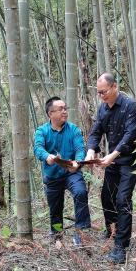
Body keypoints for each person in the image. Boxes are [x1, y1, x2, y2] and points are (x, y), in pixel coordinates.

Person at [85, 73, 136, 263]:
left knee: (122, 199)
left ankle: (121, 246)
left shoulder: (129, 105)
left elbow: (130, 135)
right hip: (112, 161)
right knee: (106, 197)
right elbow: (96, 131)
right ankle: (112, 230)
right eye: (99, 93)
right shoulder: (102, 109)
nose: (102, 96)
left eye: (104, 92)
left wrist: (112, 155)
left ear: (115, 86)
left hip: (130, 160)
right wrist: (91, 150)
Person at [34, 96, 91, 245]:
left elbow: (80, 149)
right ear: (50, 114)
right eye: (60, 109)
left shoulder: (73, 129)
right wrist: (47, 156)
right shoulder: (42, 131)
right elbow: (38, 148)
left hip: (71, 172)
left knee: (80, 192)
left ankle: (81, 234)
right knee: (55, 208)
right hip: (52, 175)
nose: (64, 112)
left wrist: (76, 163)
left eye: (65, 108)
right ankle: (57, 236)